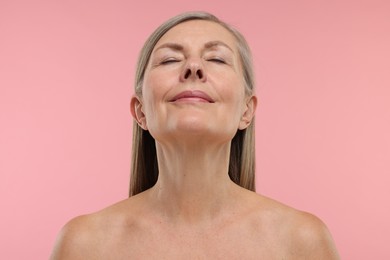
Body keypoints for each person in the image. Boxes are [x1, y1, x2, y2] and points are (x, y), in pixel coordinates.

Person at [50, 11, 339, 259]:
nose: (193, 67)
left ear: (246, 112)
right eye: (169, 60)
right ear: (141, 112)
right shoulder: (84, 246)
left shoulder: (302, 242)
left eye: (217, 58)